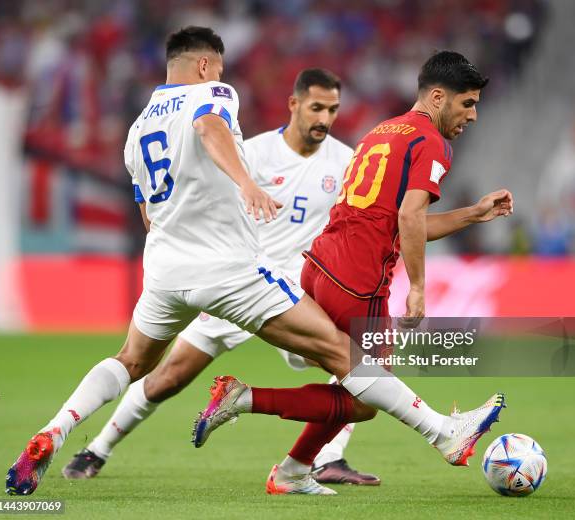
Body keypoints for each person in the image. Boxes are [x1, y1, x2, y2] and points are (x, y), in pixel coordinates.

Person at [5, 29, 505, 499]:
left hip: (164, 269)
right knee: (344, 355)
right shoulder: (213, 94)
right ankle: (442, 433)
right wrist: (246, 182)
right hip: (231, 269)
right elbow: (209, 127)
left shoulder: (138, 128)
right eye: (217, 68)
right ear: (206, 65)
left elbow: (146, 211)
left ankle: (56, 429)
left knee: (131, 362)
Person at [192, 51, 514, 495]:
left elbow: (404, 220)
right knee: (368, 391)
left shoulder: (381, 132)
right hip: (358, 279)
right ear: (438, 97)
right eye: (467, 103)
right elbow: (410, 215)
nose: (473, 115)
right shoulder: (433, 143)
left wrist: (472, 215)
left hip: (321, 265)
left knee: (361, 393)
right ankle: (443, 433)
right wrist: (417, 288)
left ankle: (291, 470)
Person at [61, 68, 380, 487]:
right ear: (294, 104)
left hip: (299, 290)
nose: (324, 118)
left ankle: (328, 458)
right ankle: (96, 449)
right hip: (240, 281)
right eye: (317, 107)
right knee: (168, 377)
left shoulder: (345, 161)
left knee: (353, 363)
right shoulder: (255, 153)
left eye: (333, 110)